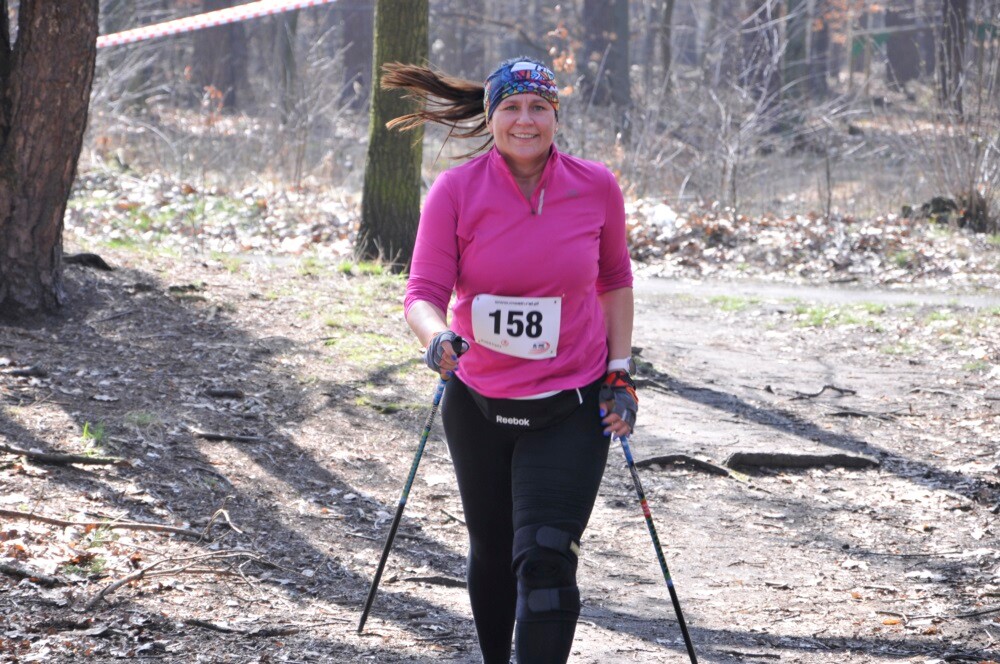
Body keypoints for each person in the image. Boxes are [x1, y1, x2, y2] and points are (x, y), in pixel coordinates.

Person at [384, 56, 637, 664]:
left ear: (556, 116)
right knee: (495, 552)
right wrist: (437, 339)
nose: (526, 120)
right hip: (478, 405)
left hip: (571, 404)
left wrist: (621, 372)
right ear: (492, 116)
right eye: (512, 107)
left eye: (539, 108)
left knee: (546, 556)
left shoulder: (596, 186)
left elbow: (614, 281)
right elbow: (422, 294)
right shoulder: (455, 190)